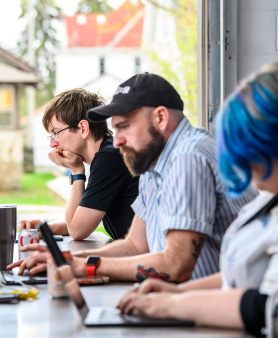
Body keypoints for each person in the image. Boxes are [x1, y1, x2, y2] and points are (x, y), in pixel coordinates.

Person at [11, 73, 258, 282]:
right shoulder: (153, 161)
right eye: (115, 128)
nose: (116, 140)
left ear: (160, 119)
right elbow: (136, 246)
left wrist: (85, 267)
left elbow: (175, 266)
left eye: (124, 127)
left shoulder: (188, 157)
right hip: (180, 295)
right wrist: (65, 259)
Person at [117, 64, 278, 338]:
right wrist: (178, 292)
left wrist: (173, 304)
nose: (246, 167)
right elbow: (238, 276)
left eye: (251, 150)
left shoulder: (188, 157)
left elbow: (267, 306)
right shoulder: (266, 200)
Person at [17, 88, 139, 241]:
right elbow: (79, 217)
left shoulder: (110, 158)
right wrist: (44, 229)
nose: (52, 144)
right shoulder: (108, 153)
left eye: (56, 133)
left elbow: (77, 230)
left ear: (83, 128)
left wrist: (76, 171)